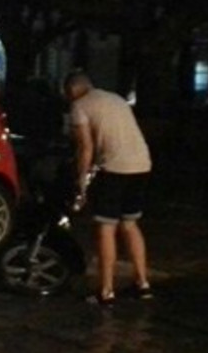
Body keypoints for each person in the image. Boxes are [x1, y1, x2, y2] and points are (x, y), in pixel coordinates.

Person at [63, 71, 153, 306]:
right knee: (130, 223)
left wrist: (81, 179)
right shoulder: (115, 98)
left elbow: (85, 147)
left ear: (71, 91)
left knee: (105, 227)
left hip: (114, 168)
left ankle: (106, 291)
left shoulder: (79, 106)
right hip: (142, 164)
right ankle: (142, 283)